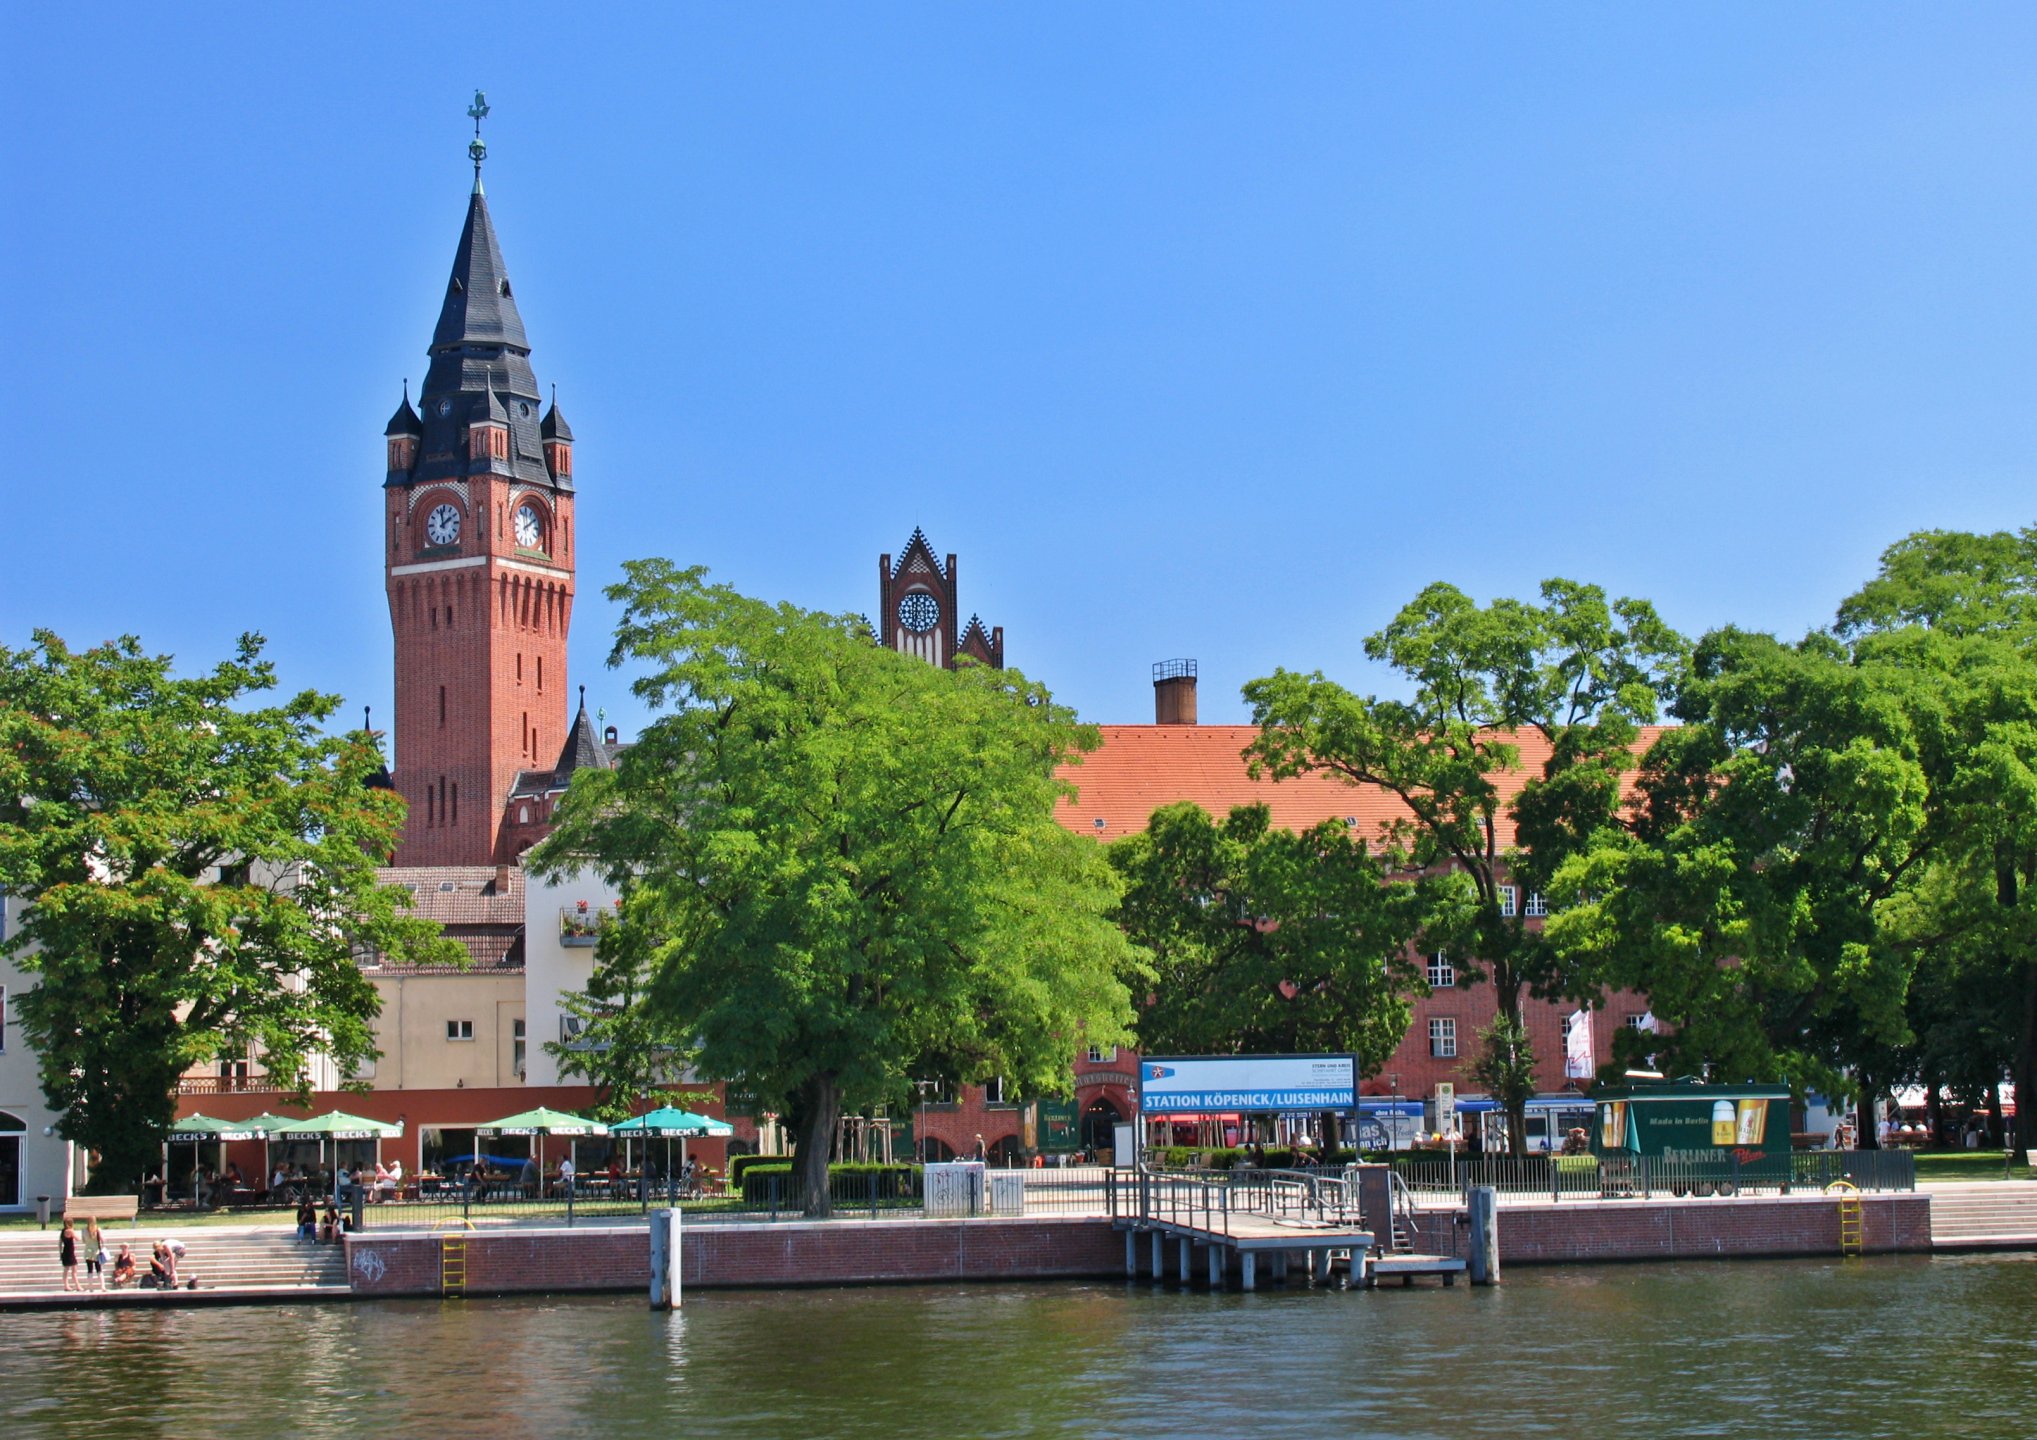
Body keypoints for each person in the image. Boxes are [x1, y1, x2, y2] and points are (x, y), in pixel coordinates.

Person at [58, 1218, 80, 1293]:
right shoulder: (70, 1231)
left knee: (66, 1270)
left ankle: (66, 1285)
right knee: (74, 1270)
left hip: (65, 1252)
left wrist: (60, 1253)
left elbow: (60, 1243)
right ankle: (78, 1286)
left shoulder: (63, 1231)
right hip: (70, 1252)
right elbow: (77, 1239)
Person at [86, 1219, 107, 1291]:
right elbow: (103, 1240)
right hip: (96, 1252)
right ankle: (102, 1287)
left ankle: (90, 1287)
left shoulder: (84, 1230)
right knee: (99, 1270)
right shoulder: (98, 1230)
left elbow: (83, 1240)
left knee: (90, 1270)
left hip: (88, 1252)